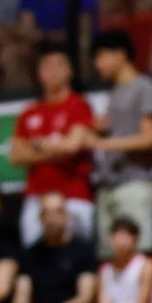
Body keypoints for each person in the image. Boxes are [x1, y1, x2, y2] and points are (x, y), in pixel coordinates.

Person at [10, 44, 96, 246]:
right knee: (34, 254)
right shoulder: (29, 112)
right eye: (47, 66)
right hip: (36, 197)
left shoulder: (79, 105)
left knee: (77, 251)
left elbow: (73, 146)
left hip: (74, 195)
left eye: (59, 66)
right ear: (39, 73)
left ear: (70, 71)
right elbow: (16, 155)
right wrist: (57, 147)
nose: (53, 71)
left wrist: (39, 145)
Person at [88, 31, 152, 254]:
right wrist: (102, 130)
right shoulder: (115, 92)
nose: (97, 64)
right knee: (110, 257)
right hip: (109, 182)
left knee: (139, 253)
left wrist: (102, 143)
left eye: (101, 56)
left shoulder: (144, 86)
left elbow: (149, 137)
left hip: (134, 182)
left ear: (120, 55)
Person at [14, 194, 98, 303]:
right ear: (40, 218)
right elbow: (22, 295)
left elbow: (85, 298)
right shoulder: (30, 254)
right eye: (46, 213)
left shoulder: (83, 250)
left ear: (66, 216)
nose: (51, 219)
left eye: (57, 212)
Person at [96, 217, 152, 303]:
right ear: (111, 239)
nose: (122, 242)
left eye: (126, 236)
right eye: (119, 236)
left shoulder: (146, 266)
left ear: (135, 240)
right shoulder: (105, 271)